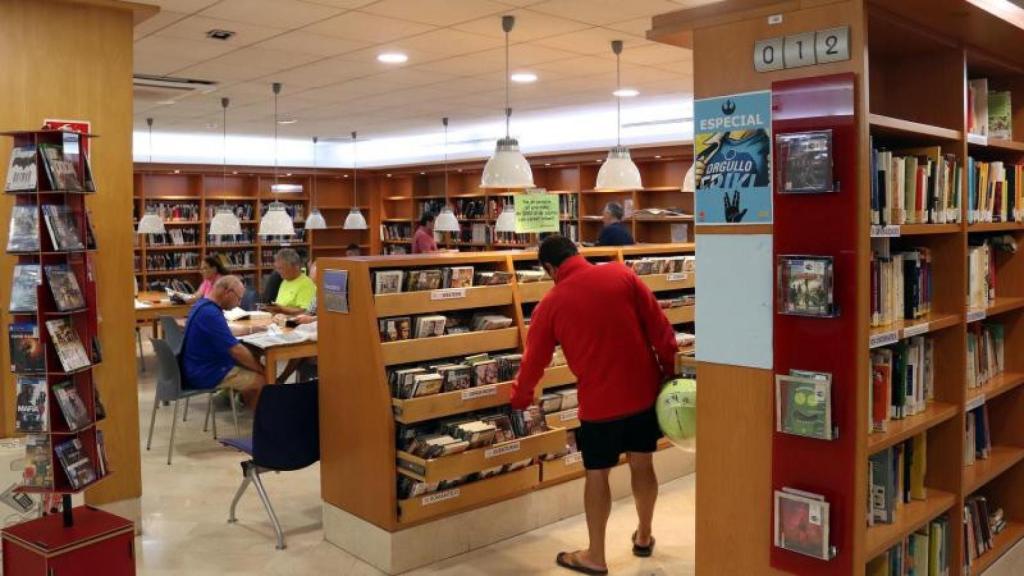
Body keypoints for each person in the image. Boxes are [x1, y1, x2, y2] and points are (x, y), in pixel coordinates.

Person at [509, 235, 677, 575]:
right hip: (643, 391)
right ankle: (644, 536)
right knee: (643, 464)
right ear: (578, 253)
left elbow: (533, 363)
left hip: (599, 403)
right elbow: (662, 331)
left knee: (597, 475)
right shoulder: (623, 275)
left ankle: (595, 556)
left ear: (550, 268)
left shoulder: (551, 304)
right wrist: (669, 375)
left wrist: (520, 398)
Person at [181, 275, 266, 409]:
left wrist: (250, 329)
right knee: (261, 380)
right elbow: (236, 350)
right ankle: (262, 426)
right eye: (239, 298)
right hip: (207, 372)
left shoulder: (202, 305)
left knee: (249, 366)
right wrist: (261, 369)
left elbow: (222, 332)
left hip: (195, 366)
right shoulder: (211, 314)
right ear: (227, 292)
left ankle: (254, 415)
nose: (239, 303)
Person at [264, 248, 316, 315]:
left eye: (281, 268)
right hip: (278, 321)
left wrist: (281, 309)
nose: (278, 272)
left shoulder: (306, 284)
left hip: (294, 324)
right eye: (277, 268)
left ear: (295, 267)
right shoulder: (285, 281)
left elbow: (305, 312)